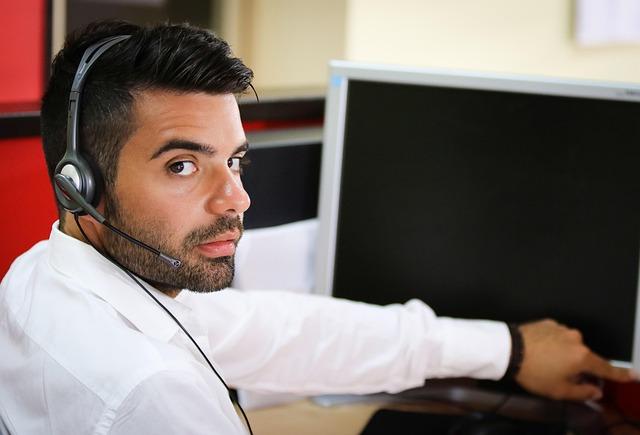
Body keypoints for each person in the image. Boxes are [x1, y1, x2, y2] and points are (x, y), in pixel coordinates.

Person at [0, 20, 635, 435]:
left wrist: (509, 349)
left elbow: (283, 332)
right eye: (184, 165)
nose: (237, 198)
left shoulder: (46, 275)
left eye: (236, 160)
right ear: (79, 182)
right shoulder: (151, 396)